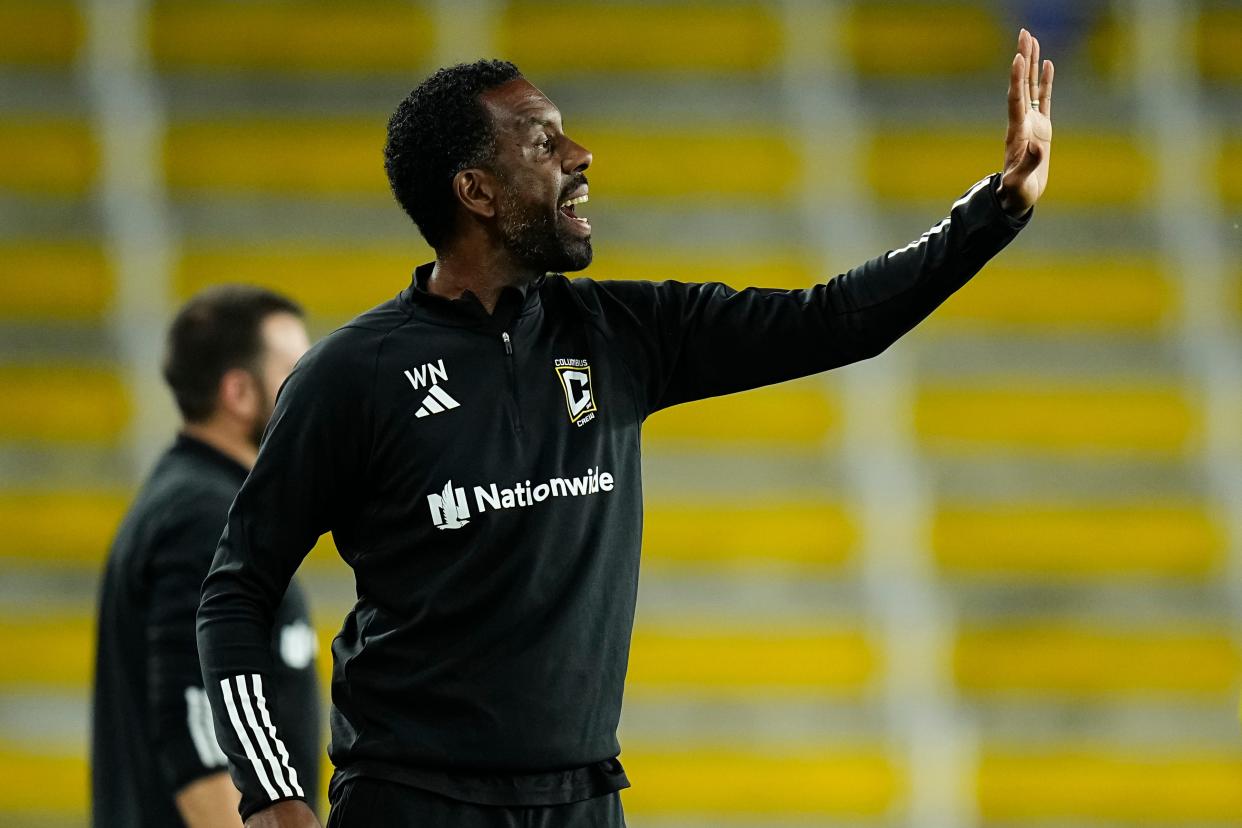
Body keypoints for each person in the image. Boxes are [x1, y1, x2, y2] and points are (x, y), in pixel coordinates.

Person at [197, 28, 1054, 828]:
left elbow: (836, 319)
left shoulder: (619, 334)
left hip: (582, 799)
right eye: (543, 142)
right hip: (413, 800)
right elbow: (236, 590)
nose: (580, 156)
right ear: (476, 192)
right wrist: (269, 792)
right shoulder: (356, 375)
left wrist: (999, 206)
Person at [92, 286, 322, 827]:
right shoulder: (206, 517)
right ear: (239, 393)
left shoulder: (187, 497)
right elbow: (197, 732)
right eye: (299, 373)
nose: (317, 393)